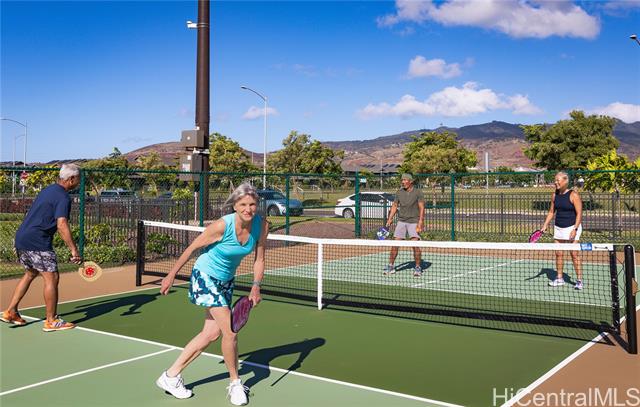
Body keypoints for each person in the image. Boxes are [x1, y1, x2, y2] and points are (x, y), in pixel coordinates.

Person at [157, 183, 267, 406]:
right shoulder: (221, 226)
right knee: (230, 332)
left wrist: (256, 285)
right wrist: (171, 275)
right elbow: (192, 248)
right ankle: (235, 383)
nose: (248, 209)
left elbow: (260, 258)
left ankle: (170, 376)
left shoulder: (261, 225)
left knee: (211, 334)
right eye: (243, 204)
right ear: (234, 206)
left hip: (226, 281)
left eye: (252, 204)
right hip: (205, 276)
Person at [1, 164, 82, 331]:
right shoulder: (63, 197)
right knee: (52, 278)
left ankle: (11, 312)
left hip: (22, 238)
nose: (79, 183)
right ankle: (51, 320)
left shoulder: (48, 190)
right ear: (71, 179)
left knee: (31, 273)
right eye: (78, 179)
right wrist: (73, 249)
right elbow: (61, 224)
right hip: (38, 241)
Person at [541, 171, 584, 290]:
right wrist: (545, 225)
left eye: (558, 180)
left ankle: (579, 280)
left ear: (565, 181)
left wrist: (575, 229)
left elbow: (579, 213)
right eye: (555, 180)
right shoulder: (554, 195)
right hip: (559, 227)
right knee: (558, 253)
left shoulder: (573, 195)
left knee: (574, 254)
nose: (555, 182)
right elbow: (551, 211)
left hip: (572, 226)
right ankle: (559, 278)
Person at [383, 173, 425, 277]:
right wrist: (390, 218)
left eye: (405, 180)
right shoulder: (399, 192)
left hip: (414, 221)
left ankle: (418, 267)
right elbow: (394, 206)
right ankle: (391, 266)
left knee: (415, 245)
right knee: (395, 245)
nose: (403, 182)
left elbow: (421, 207)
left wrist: (420, 221)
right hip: (401, 221)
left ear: (410, 181)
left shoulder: (418, 192)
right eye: (402, 180)